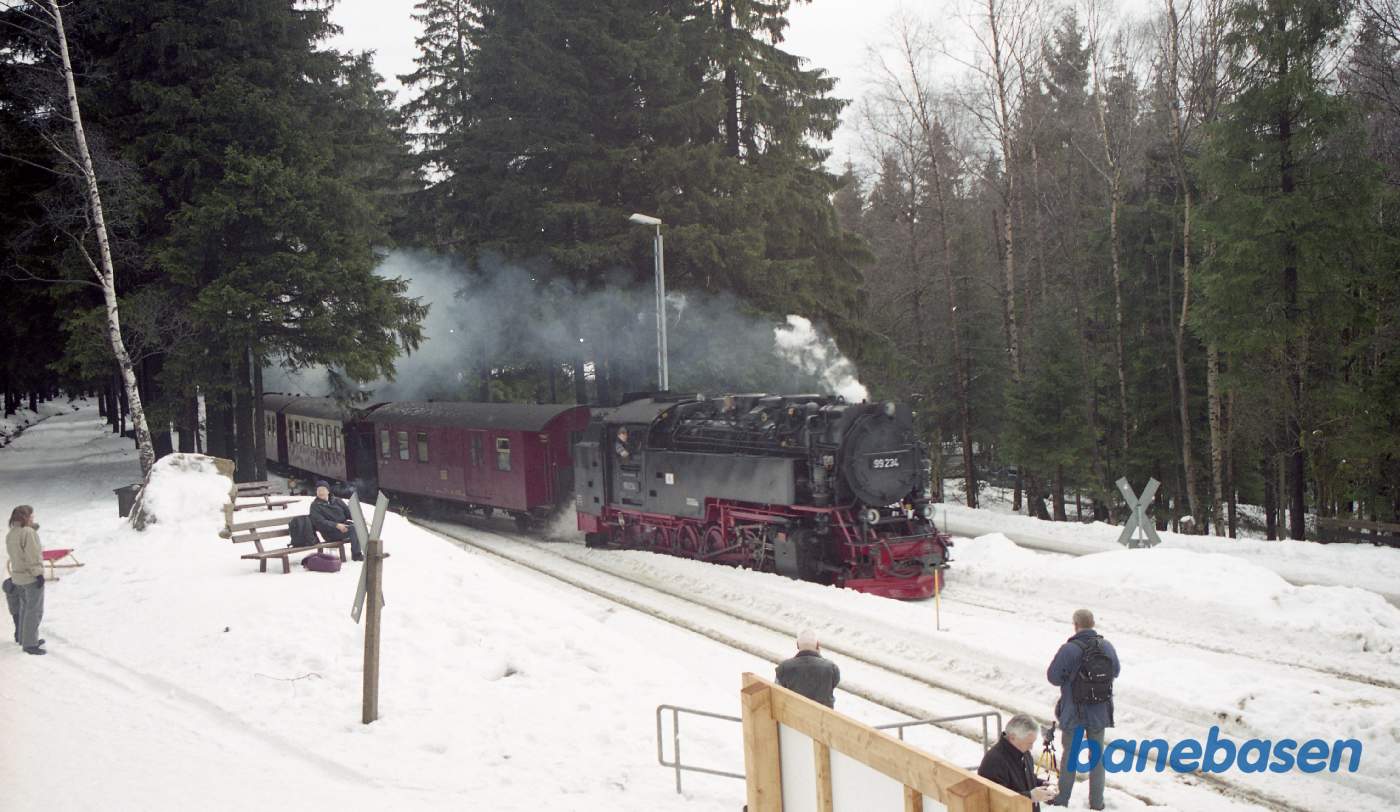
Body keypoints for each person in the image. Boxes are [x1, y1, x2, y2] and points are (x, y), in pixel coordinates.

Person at [1046, 609, 1121, 810]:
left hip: (1074, 713)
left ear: (1075, 625)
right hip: (1099, 713)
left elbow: (1053, 677)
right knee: (1096, 759)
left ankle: (1062, 800)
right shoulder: (1106, 646)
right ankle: (1097, 803)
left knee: (1070, 756)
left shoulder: (1069, 649)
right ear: (1093, 623)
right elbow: (1116, 671)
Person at [978, 714, 1057, 811]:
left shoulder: (1023, 752)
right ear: (1012, 737)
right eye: (1029, 743)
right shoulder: (994, 761)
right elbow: (997, 800)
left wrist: (1043, 785)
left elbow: (1025, 779)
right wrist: (1030, 796)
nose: (1031, 747)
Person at [5, 505, 46, 655]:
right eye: (31, 515)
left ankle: (24, 637)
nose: (33, 517)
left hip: (18, 577)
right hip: (30, 577)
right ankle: (30, 643)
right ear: (25, 517)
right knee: (34, 611)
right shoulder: (28, 533)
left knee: (24, 609)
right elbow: (32, 555)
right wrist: (38, 574)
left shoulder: (11, 533)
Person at [775, 629, 840, 708]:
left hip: (794, 716)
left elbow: (777, 692)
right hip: (823, 718)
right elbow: (834, 683)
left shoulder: (784, 668)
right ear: (817, 645)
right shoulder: (831, 668)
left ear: (797, 645)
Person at [309, 481, 363, 561]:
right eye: (318, 490)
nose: (321, 492)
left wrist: (357, 517)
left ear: (328, 491)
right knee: (353, 529)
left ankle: (368, 551)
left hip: (343, 527)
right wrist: (336, 525)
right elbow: (320, 522)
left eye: (323, 490)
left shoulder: (337, 501)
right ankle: (356, 555)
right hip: (330, 532)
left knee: (359, 527)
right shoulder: (315, 506)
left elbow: (348, 513)